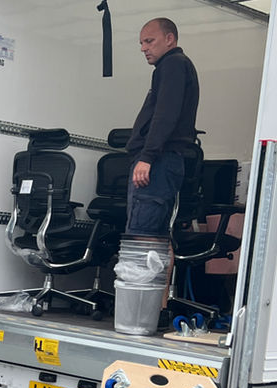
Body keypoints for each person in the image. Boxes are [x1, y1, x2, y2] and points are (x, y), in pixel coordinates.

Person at [125, 17, 199, 312]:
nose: (144, 48)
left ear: (170, 39)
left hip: (159, 160)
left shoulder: (172, 65)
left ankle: (141, 310)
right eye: (141, 43)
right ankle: (158, 306)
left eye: (149, 41)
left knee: (143, 236)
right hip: (163, 160)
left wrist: (147, 156)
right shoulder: (172, 68)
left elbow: (165, 115)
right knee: (155, 235)